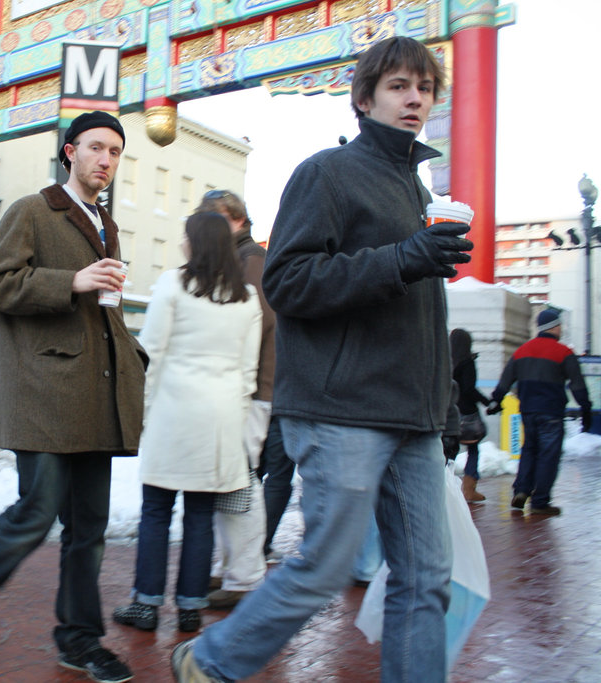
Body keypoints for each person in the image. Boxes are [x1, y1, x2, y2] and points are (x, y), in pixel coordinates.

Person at [171, 36, 474, 682]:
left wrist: (443, 406)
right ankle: (211, 659)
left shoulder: (418, 192)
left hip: (412, 417)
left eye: (424, 87)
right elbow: (289, 282)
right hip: (343, 408)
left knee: (427, 578)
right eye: (398, 85)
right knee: (326, 565)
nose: (415, 97)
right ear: (365, 99)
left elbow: (423, 317)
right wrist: (401, 259)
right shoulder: (326, 173)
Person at [0, 110, 146, 683]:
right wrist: (72, 281)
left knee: (90, 528)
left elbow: (104, 311)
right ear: (70, 152)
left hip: (93, 394)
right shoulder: (32, 210)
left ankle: (78, 640)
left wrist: (130, 357)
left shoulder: (105, 223)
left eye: (115, 153)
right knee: (37, 510)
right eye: (97, 148)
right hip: (43, 392)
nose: (106, 160)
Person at [112, 212, 260, 633]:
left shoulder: (173, 285)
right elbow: (248, 372)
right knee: (200, 515)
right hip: (222, 420)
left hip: (174, 413)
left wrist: (142, 410)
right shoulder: (247, 297)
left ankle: (146, 603)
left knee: (156, 511)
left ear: (195, 241)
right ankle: (191, 606)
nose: (181, 241)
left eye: (184, 235)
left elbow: (152, 353)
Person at [194, 189, 279, 607]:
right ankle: (234, 571)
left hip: (249, 390)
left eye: (213, 223)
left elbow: (250, 327)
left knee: (240, 483)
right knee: (234, 482)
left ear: (235, 219)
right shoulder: (242, 260)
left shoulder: (251, 262)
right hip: (245, 388)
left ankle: (244, 577)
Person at [486, 309, 591, 516]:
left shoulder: (522, 351)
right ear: (554, 326)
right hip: (551, 412)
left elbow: (506, 379)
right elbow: (577, 385)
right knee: (548, 456)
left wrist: (496, 401)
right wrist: (585, 409)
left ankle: (522, 490)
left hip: (528, 412)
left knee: (529, 451)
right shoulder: (564, 353)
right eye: (560, 325)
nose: (561, 329)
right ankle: (540, 501)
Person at [450, 327, 491, 502]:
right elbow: (469, 388)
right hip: (467, 412)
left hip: (450, 411)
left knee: (450, 449)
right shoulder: (467, 363)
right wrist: (486, 401)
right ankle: (469, 488)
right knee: (473, 448)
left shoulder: (446, 361)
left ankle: (447, 484)